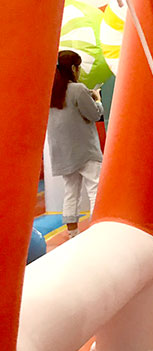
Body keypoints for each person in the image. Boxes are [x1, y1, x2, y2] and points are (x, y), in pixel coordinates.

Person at [47, 50, 104, 238]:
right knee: (95, 188)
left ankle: (73, 234)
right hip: (85, 150)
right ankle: (98, 232)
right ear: (73, 68)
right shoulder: (78, 89)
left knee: (71, 193)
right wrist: (97, 99)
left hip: (63, 153)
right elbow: (94, 115)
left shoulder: (50, 92)